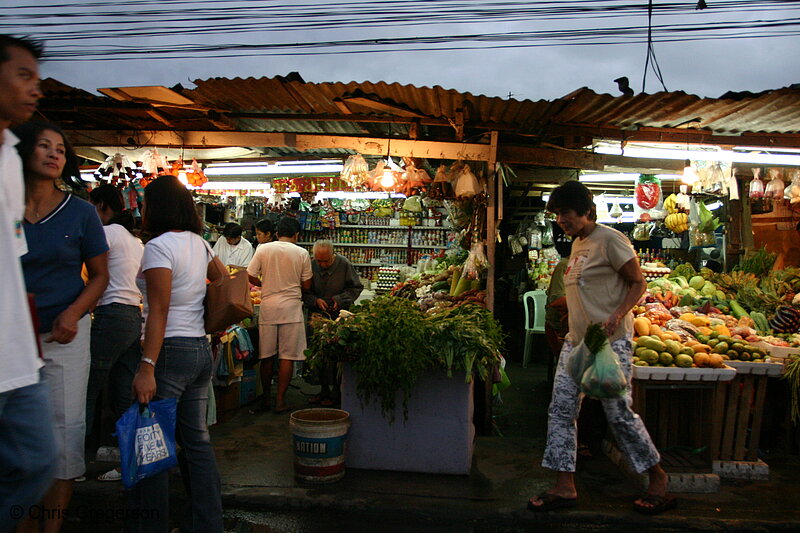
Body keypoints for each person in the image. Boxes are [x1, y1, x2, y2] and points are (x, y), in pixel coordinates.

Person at [528, 180, 674, 515]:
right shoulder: (578, 245)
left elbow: (639, 282)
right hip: (577, 343)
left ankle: (658, 478)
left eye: (566, 213)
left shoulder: (610, 240)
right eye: (557, 214)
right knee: (561, 411)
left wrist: (617, 314)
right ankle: (564, 486)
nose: (561, 220)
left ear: (586, 211)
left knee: (618, 414)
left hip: (609, 342)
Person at [15, 120, 109, 532]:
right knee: (15, 441)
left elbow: (101, 275)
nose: (55, 154)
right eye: (44, 146)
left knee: (65, 434)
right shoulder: (4, 207)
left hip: (64, 337)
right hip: (11, 341)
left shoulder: (81, 212)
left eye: (61, 149)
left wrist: (74, 313)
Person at [129, 175, 225, 532]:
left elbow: (159, 310)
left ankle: (150, 525)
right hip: (199, 348)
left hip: (168, 351)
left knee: (153, 447)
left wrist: (147, 365)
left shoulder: (158, 247)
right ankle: (208, 522)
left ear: (155, 207)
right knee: (197, 442)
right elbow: (222, 280)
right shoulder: (200, 244)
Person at [0, 34, 57, 533]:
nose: (36, 89)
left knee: (40, 461)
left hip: (20, 357)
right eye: (24, 76)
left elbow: (12, 263)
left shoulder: (9, 161)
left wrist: (29, 344)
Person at [85, 184, 143, 483]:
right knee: (123, 392)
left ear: (101, 206)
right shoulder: (134, 241)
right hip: (133, 315)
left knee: (87, 390)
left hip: (112, 316)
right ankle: (128, 459)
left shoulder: (106, 234)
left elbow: (94, 274)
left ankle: (74, 465)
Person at [247, 216, 312, 414]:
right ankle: (280, 400)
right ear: (296, 235)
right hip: (291, 308)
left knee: (267, 355)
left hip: (269, 306)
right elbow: (307, 285)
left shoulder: (263, 249)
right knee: (287, 356)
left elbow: (250, 274)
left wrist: (264, 284)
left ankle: (266, 398)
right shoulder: (302, 253)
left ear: (276, 234)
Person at [302, 239, 363, 406]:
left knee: (336, 354)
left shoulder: (344, 264)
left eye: (326, 261)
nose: (322, 265)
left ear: (333, 255)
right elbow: (303, 291)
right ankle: (323, 390)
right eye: (319, 261)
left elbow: (356, 287)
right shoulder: (310, 264)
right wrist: (315, 301)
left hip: (338, 316)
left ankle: (337, 391)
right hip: (316, 316)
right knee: (317, 353)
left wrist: (340, 299)